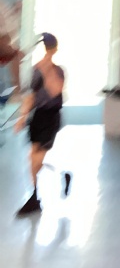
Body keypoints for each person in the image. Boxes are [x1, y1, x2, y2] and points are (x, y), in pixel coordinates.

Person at [14, 33, 71, 216]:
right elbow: (31, 96)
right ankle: (56, 179)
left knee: (37, 159)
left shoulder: (59, 71)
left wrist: (47, 68)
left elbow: (55, 90)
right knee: (33, 158)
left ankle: (35, 197)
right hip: (38, 116)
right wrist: (22, 117)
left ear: (54, 50)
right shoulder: (36, 70)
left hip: (51, 117)